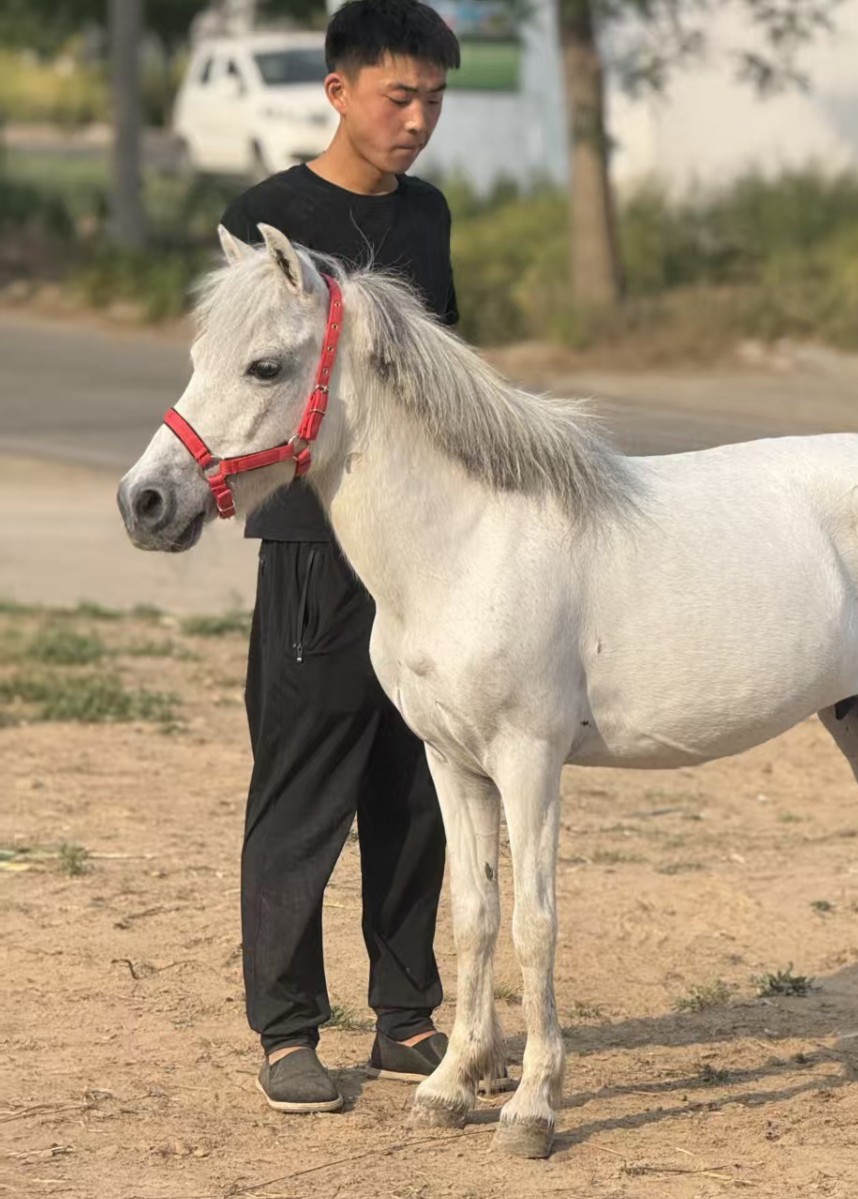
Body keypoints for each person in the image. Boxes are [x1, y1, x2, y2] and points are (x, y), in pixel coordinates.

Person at [218, 0, 473, 1114]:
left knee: (415, 785)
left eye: (433, 100)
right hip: (315, 550)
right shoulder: (268, 216)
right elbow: (245, 378)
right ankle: (284, 1030)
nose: (417, 120)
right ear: (338, 90)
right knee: (303, 786)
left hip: (424, 555)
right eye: (397, 96)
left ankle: (406, 1017)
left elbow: (450, 374)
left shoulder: (427, 214)